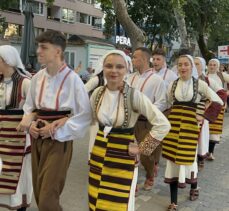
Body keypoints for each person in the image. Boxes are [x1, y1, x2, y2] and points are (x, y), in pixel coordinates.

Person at [17, 30, 92, 211]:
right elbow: (30, 107)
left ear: (58, 52)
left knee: (47, 199)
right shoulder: (37, 78)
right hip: (37, 138)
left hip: (59, 141)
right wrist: (31, 125)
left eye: (44, 47)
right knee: (39, 191)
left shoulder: (73, 80)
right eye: (38, 46)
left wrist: (58, 129)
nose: (38, 51)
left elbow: (84, 115)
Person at [88, 50, 171, 211]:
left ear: (126, 70)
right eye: (109, 66)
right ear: (103, 68)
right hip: (99, 154)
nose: (114, 70)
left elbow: (163, 123)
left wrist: (141, 148)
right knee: (95, 199)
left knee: (118, 202)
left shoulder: (134, 95)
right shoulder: (97, 93)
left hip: (122, 156)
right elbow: (86, 119)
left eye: (119, 67)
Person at [162, 55, 223, 211]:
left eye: (186, 65)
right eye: (179, 65)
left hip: (190, 130)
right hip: (174, 129)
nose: (182, 67)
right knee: (172, 163)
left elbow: (218, 101)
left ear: (192, 67)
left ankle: (194, 187)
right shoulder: (172, 85)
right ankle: (173, 202)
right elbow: (166, 103)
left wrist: (203, 116)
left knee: (189, 160)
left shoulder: (200, 84)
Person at [126, 47, 167, 190]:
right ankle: (133, 181)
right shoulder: (130, 77)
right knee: (129, 151)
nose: (132, 59)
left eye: (134, 57)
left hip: (146, 122)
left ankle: (150, 174)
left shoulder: (157, 80)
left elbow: (162, 102)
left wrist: (148, 111)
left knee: (145, 153)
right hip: (130, 121)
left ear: (143, 59)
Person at [0, 45, 32, 211]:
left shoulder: (25, 82)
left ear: (7, 61)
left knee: (18, 171)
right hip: (1, 134)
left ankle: (19, 205)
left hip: (18, 136)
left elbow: (34, 107)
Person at [194, 57, 227, 170]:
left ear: (202, 66)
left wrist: (208, 111)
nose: (194, 66)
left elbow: (222, 94)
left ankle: (201, 159)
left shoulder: (207, 80)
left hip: (201, 116)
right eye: (192, 63)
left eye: (197, 64)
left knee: (202, 139)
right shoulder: (182, 80)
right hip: (186, 116)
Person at [207, 58, 229, 160]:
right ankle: (205, 152)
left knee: (214, 131)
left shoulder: (222, 75)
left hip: (218, 105)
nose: (212, 66)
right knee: (205, 129)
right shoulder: (204, 75)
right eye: (210, 64)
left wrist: (227, 92)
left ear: (218, 66)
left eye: (214, 65)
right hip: (206, 105)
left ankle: (211, 152)